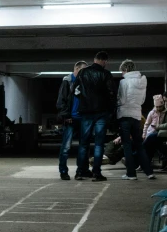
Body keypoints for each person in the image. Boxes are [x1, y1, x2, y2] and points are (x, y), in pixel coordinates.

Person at [72, 51, 116, 181]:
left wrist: (84, 100)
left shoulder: (83, 72)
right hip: (101, 112)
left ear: (94, 59)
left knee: (83, 143)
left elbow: (75, 90)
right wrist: (110, 110)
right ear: (105, 61)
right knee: (98, 144)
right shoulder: (106, 74)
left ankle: (80, 172)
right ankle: (97, 173)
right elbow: (111, 93)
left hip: (86, 112)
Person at [116, 59, 155, 180]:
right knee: (139, 145)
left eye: (122, 71)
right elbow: (142, 100)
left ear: (126, 70)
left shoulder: (124, 82)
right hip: (137, 116)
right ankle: (149, 172)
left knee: (127, 145)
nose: (122, 74)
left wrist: (116, 103)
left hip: (125, 115)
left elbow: (121, 100)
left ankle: (131, 173)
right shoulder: (142, 81)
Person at [56, 60, 88, 180]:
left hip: (83, 119)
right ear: (77, 69)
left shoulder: (85, 82)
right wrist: (66, 116)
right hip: (70, 118)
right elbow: (61, 101)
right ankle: (63, 171)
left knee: (83, 146)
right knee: (66, 147)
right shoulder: (67, 81)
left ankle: (82, 171)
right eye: (83, 70)